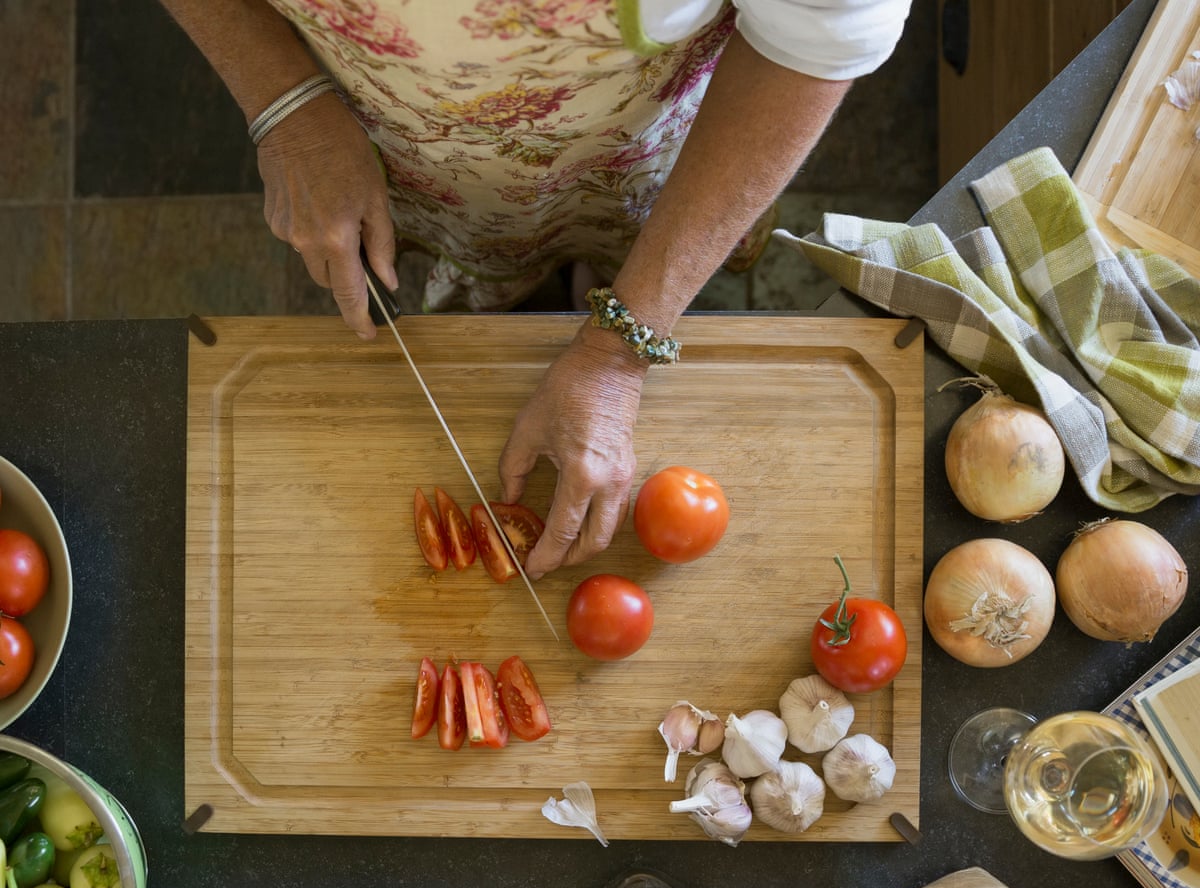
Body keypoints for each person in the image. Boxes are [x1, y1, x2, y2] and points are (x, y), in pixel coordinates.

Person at [161, 0, 912, 577]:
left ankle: (604, 283)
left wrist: (625, 345)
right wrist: (284, 99)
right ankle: (516, 289)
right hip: (387, 119)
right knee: (481, 250)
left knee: (630, 235)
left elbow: (816, 34)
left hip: (632, 134)